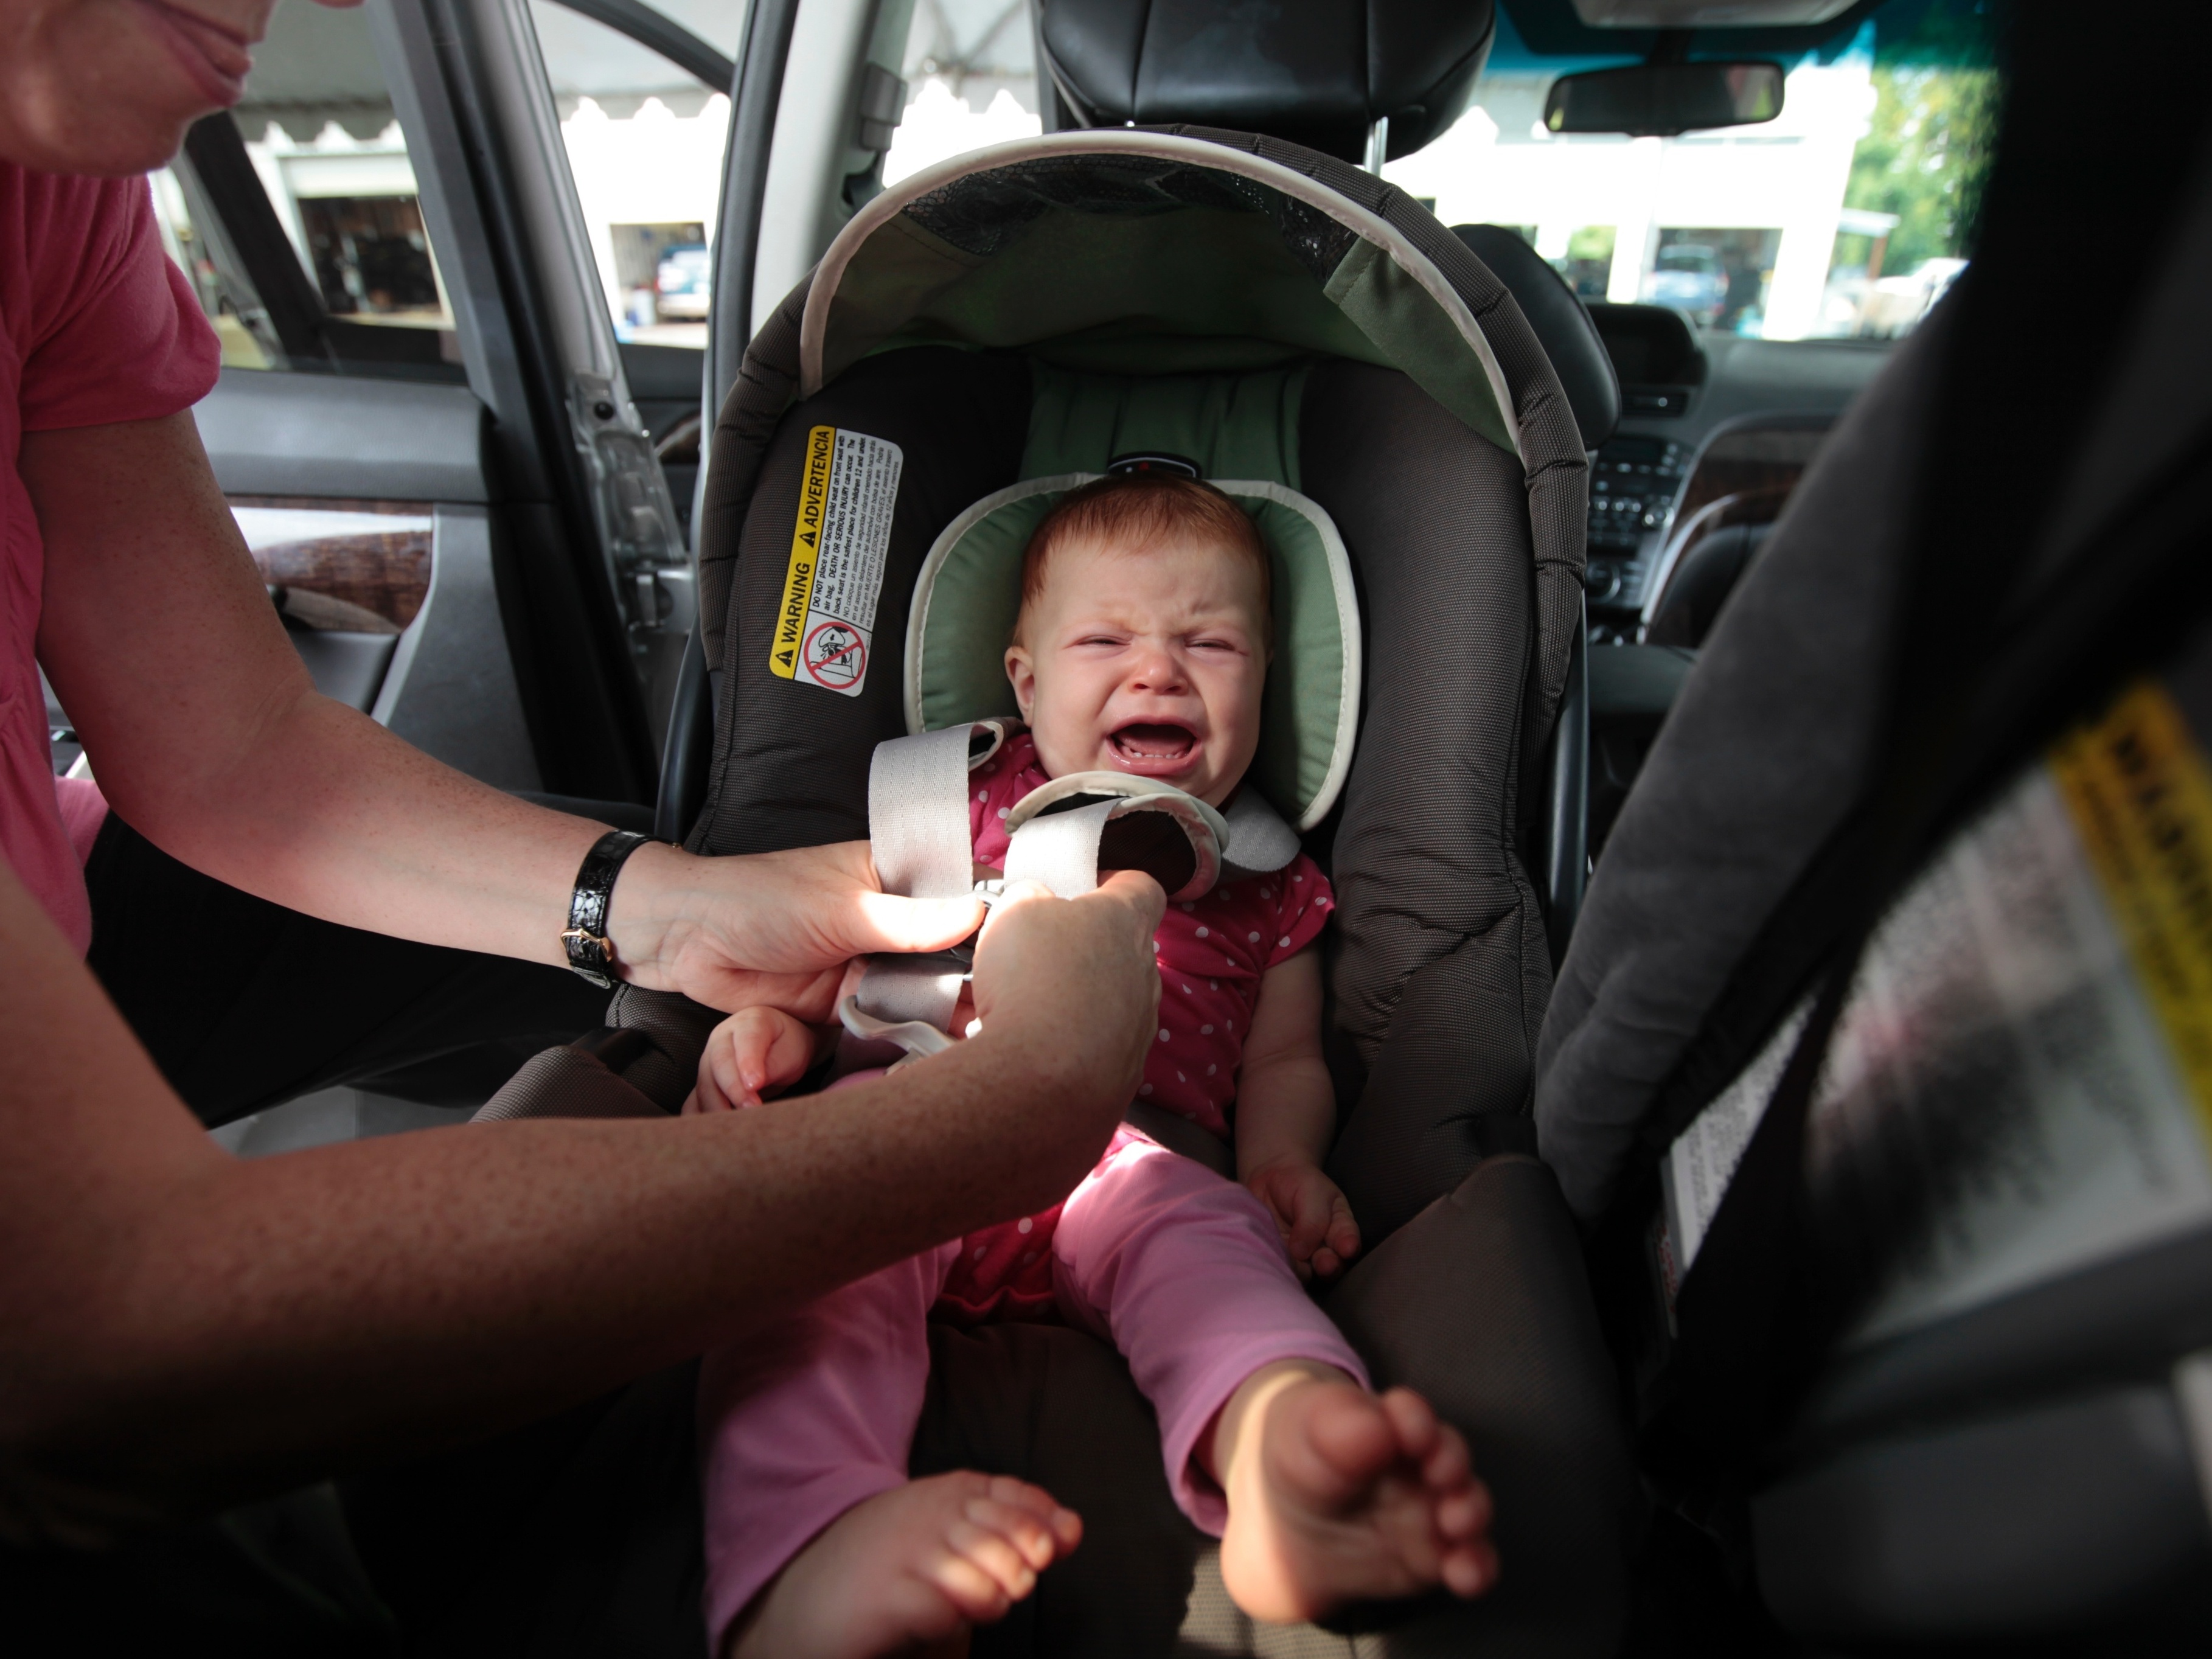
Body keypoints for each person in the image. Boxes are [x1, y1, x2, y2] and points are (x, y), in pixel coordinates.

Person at [0, 0, 1166, 1638]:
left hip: (70, 884)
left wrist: (666, 902)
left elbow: (235, 752)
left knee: (647, 947)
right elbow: (96, 1338)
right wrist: (1026, 1107)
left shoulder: (55, 183)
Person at [688, 475, 1500, 1658]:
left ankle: (1280, 1445)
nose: (1160, 670)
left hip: (1129, 1167)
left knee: (1212, 1250)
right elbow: (826, 955)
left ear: (1265, 683)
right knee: (808, 1259)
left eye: (1210, 641)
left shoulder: (1270, 883)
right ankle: (804, 1547)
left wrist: (1280, 1157)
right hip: (913, 1111)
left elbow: (1283, 1055)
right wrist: (775, 1037)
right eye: (1106, 639)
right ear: (1024, 679)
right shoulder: (951, 810)